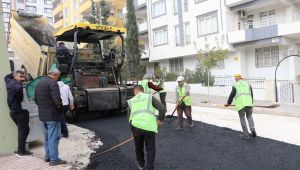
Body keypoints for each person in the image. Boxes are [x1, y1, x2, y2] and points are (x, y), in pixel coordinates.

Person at [128, 85, 166, 170]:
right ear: (143, 91)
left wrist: (132, 132)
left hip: (136, 127)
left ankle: (141, 165)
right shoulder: (149, 97)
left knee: (138, 147)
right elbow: (162, 108)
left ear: (135, 91)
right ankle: (150, 168)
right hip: (149, 127)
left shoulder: (131, 101)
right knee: (150, 148)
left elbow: (130, 118)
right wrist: (160, 120)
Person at [35, 67, 66, 166]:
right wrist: (61, 110)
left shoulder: (39, 83)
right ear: (54, 75)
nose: (58, 78)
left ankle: (48, 156)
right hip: (53, 115)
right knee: (54, 137)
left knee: (47, 137)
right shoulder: (53, 83)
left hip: (43, 115)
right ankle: (54, 160)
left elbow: (36, 99)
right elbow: (57, 100)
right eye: (58, 76)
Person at [4, 70, 32, 156]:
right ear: (15, 77)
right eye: (21, 77)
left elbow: (6, 77)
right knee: (23, 131)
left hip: (13, 111)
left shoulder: (9, 81)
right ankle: (21, 151)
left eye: (23, 77)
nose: (22, 79)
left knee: (24, 130)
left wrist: (16, 72)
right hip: (21, 112)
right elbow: (20, 98)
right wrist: (18, 79)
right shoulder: (18, 86)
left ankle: (21, 149)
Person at [224, 74, 257, 138]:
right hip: (249, 104)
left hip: (241, 105)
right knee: (249, 116)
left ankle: (246, 134)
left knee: (242, 118)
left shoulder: (235, 85)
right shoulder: (248, 84)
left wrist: (228, 103)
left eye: (235, 78)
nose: (235, 79)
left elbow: (232, 95)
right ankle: (252, 129)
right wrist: (251, 102)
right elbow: (251, 94)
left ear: (237, 78)